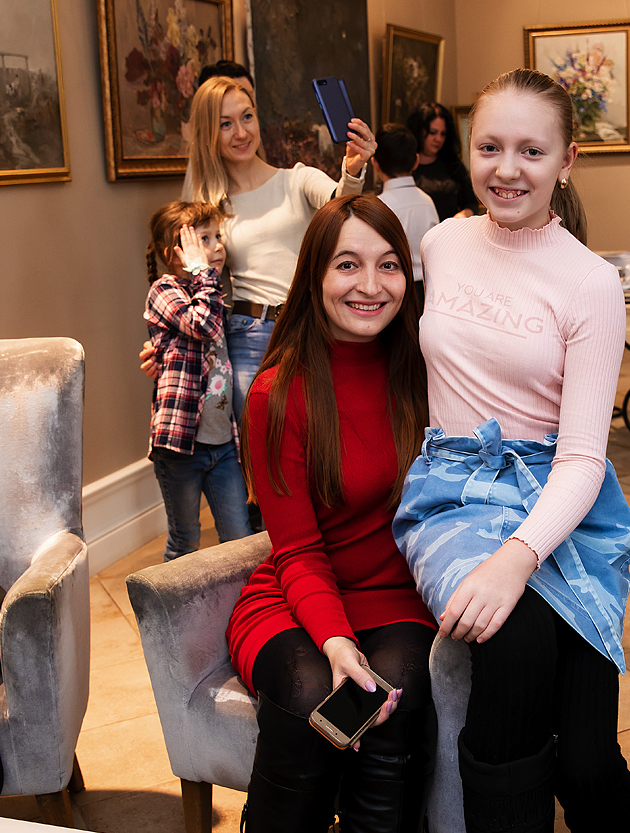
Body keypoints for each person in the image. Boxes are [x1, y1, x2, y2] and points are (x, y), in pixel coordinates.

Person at [393, 68, 630, 833]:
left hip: (562, 503)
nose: (507, 168)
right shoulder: (440, 241)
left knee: (589, 754)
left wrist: (522, 554)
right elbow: (356, 252)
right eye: (490, 147)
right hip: (453, 491)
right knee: (512, 638)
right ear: (466, 150)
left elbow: (582, 458)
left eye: (531, 150)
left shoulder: (589, 282)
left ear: (568, 162)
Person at [227, 195, 435, 833]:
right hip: (298, 598)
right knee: (314, 699)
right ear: (313, 277)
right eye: (347, 264)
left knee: (388, 712)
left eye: (387, 263)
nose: (369, 284)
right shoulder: (277, 391)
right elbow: (298, 550)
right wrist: (335, 640)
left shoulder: (425, 369)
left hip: (398, 602)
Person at [141, 74, 377, 420]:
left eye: (247, 117)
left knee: (320, 437)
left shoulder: (297, 179)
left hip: (308, 329)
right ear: (208, 133)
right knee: (253, 448)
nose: (241, 132)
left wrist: (354, 169)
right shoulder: (208, 206)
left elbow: (342, 206)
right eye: (225, 124)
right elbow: (189, 285)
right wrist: (166, 341)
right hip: (247, 339)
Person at [144, 201, 251, 561]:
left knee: (239, 537)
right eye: (203, 239)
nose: (217, 246)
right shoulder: (164, 290)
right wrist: (203, 272)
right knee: (185, 540)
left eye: (217, 236)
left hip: (223, 444)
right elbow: (202, 325)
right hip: (180, 446)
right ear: (172, 254)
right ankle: (169, 601)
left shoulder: (212, 293)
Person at [372, 124, 438, 304]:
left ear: (375, 163)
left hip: (393, 291)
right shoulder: (427, 202)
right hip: (428, 289)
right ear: (416, 161)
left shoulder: (379, 207)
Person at [406, 101, 480, 222]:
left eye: (443, 134)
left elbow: (471, 203)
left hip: (450, 230)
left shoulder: (452, 164)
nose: (438, 139)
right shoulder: (404, 165)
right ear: (419, 131)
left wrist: (463, 215)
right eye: (433, 132)